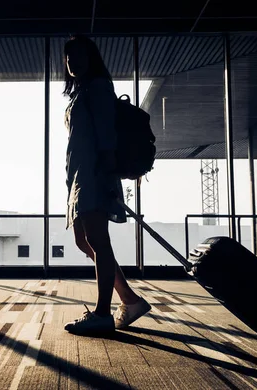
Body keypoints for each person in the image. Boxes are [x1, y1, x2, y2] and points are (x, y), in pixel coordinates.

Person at [62, 35, 151, 334]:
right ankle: (129, 299)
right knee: (82, 240)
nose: (73, 61)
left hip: (96, 172)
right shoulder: (80, 92)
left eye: (79, 55)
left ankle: (102, 313)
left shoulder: (98, 87)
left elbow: (105, 131)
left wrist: (109, 168)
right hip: (79, 176)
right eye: (69, 57)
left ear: (92, 58)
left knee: (99, 240)